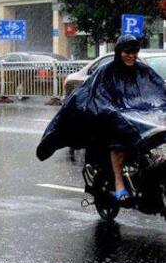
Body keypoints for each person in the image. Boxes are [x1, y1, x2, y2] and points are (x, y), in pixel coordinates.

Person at [37, 34, 166, 202]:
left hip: (138, 114)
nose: (131, 55)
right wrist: (113, 111)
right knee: (118, 141)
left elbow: (158, 89)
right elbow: (98, 96)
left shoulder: (143, 71)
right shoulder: (106, 71)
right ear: (119, 51)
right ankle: (119, 183)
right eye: (127, 51)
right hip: (111, 116)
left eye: (134, 51)